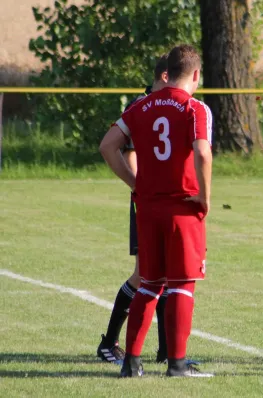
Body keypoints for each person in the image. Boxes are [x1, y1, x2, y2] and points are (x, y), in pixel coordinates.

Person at [99, 44, 213, 378]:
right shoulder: (196, 108)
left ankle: (131, 362)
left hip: (148, 207)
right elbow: (203, 154)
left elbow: (107, 146)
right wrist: (205, 197)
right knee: (182, 284)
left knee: (149, 282)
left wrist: (136, 182)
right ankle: (177, 364)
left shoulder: (141, 106)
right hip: (182, 206)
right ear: (195, 74)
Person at [96, 54, 170, 365]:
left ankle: (168, 353)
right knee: (145, 275)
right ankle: (109, 343)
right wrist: (140, 187)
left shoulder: (172, 105)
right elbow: (129, 152)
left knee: (167, 274)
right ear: (166, 76)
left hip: (167, 201)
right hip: (148, 201)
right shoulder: (144, 105)